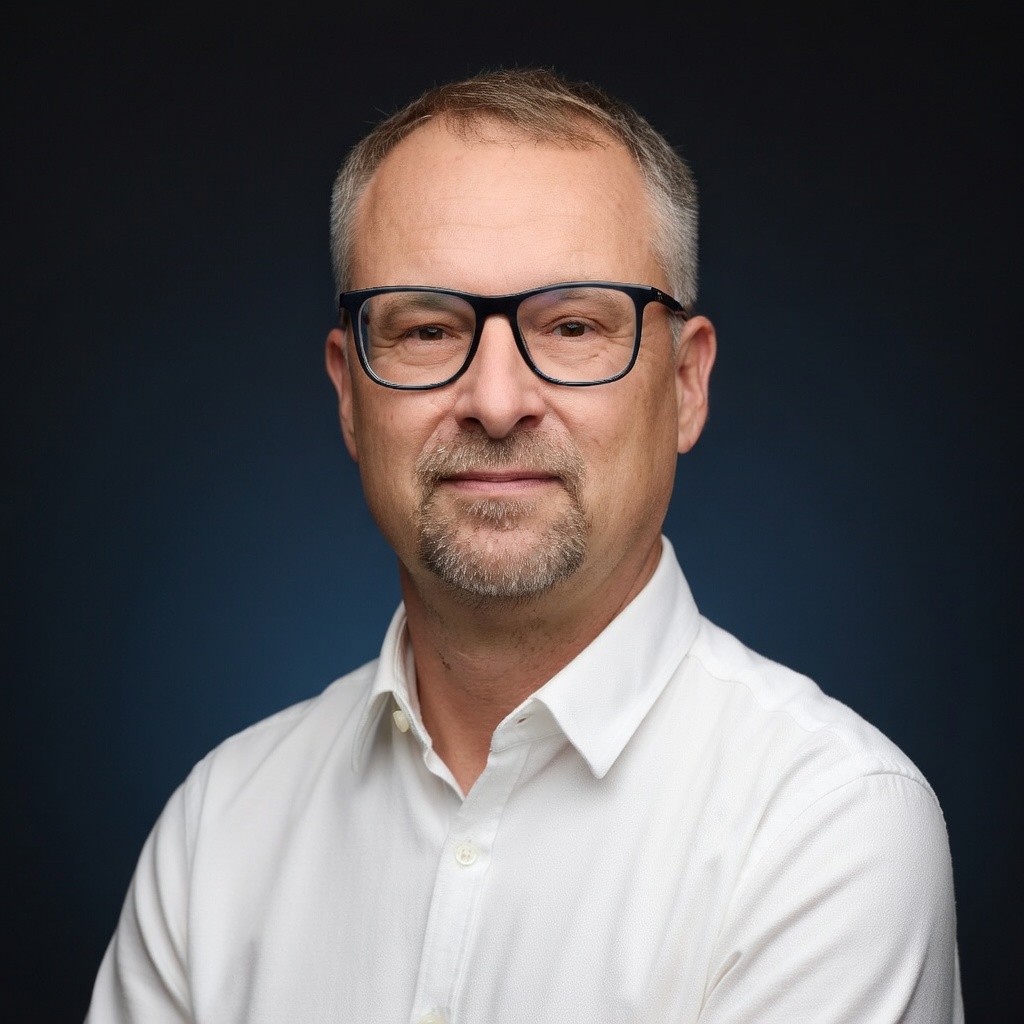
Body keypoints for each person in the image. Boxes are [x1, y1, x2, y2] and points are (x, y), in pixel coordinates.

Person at [85, 67, 963, 1023]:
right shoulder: (217, 830)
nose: (497, 402)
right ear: (348, 392)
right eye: (428, 329)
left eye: (574, 326)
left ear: (686, 384)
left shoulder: (829, 825)